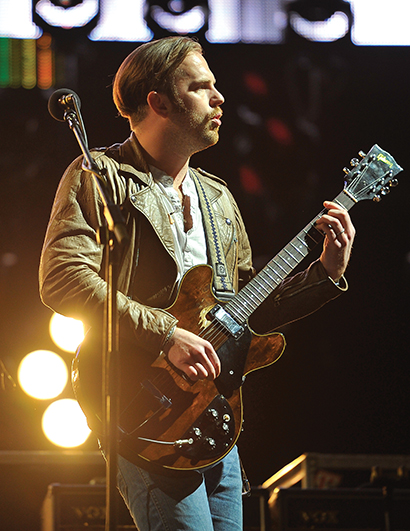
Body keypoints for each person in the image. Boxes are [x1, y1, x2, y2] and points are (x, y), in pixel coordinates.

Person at [39, 36, 355, 531]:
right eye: (200, 86)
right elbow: (62, 278)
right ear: (158, 102)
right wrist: (166, 333)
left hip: (215, 414)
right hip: (144, 408)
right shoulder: (98, 176)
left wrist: (324, 275)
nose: (219, 97)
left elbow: (247, 311)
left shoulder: (219, 198)